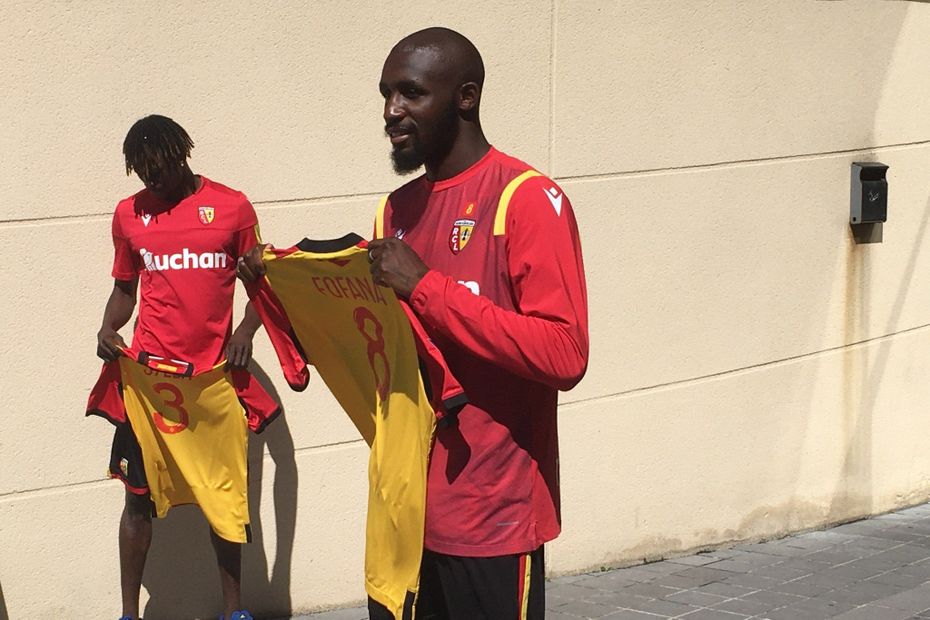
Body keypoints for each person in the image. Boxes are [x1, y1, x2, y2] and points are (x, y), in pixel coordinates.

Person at [367, 28, 589, 618]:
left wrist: (427, 288)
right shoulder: (395, 210)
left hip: (494, 515)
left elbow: (566, 354)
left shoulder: (527, 197)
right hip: (407, 511)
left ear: (465, 97)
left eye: (410, 93)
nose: (392, 111)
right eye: (387, 94)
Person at [94, 114, 262, 620]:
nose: (152, 182)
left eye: (159, 170)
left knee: (223, 500)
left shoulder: (232, 207)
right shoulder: (129, 215)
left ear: (180, 154)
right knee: (137, 501)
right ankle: (128, 613)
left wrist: (244, 332)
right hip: (149, 385)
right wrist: (107, 328)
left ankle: (234, 611)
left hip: (211, 384)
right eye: (142, 174)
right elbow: (126, 290)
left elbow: (264, 289)